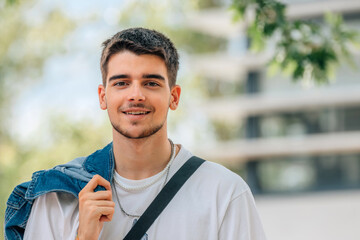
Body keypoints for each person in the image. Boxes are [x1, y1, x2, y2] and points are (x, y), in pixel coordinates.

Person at [5, 27, 266, 240]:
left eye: (151, 83)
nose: (136, 95)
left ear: (174, 97)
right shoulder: (57, 199)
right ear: (103, 96)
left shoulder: (224, 193)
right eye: (121, 83)